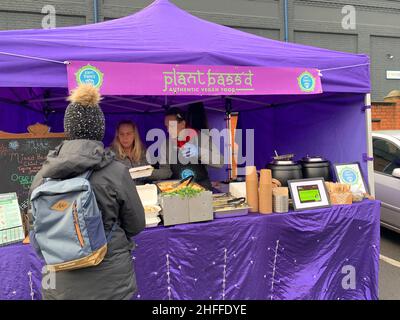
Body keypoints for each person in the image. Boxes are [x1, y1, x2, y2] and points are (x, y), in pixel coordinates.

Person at [29, 84, 145, 300]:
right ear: (100, 129)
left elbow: (36, 236)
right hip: (112, 285)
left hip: (59, 285)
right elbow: (136, 224)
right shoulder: (116, 172)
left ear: (68, 129)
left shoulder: (42, 177)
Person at [159, 107, 224, 190]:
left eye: (171, 126)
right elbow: (165, 171)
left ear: (182, 124)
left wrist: (199, 152)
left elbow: (220, 162)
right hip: (178, 191)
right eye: (166, 126)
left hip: (202, 189)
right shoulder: (166, 144)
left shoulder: (201, 138)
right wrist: (147, 174)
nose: (168, 130)